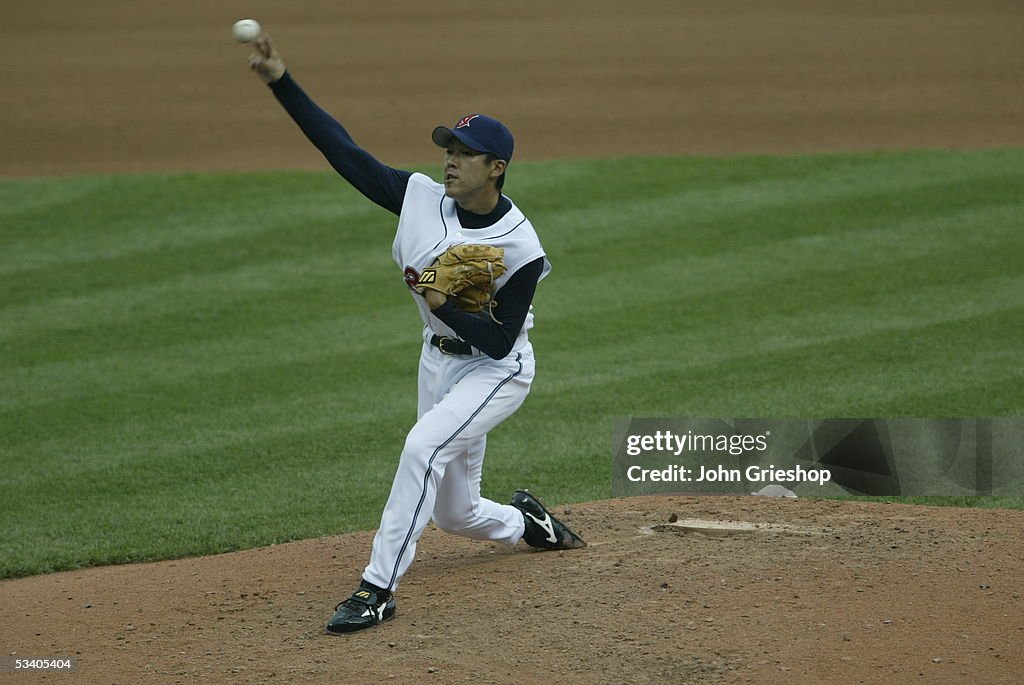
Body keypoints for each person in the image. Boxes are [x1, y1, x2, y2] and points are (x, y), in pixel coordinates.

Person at [246, 34, 586, 635]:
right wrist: (281, 81)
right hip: (436, 365)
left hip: (495, 372)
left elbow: (502, 342)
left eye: (465, 153)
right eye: (449, 148)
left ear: (496, 167)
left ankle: (377, 589)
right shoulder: (419, 198)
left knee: (419, 448)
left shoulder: (520, 247)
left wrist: (441, 301)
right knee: (457, 513)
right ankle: (528, 525)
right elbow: (343, 151)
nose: (450, 159)